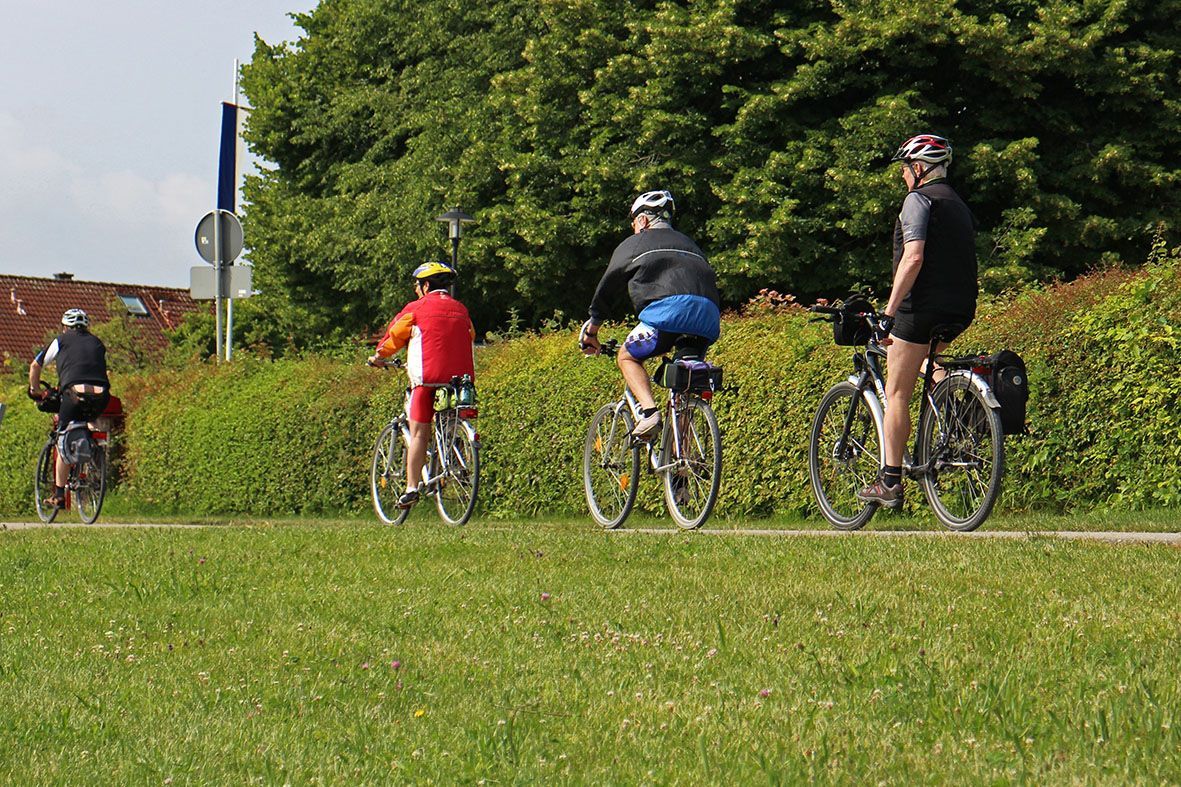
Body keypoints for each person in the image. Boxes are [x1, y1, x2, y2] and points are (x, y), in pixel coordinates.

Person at [858, 133, 978, 508]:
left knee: (896, 392)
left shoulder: (917, 200)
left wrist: (889, 314)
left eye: (906, 169)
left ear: (920, 169)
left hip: (920, 308)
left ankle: (890, 481)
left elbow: (913, 258)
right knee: (927, 361)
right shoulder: (958, 204)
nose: (904, 177)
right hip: (961, 307)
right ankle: (955, 404)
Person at [579, 190, 722, 439]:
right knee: (685, 386)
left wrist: (592, 328)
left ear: (643, 220)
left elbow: (608, 286)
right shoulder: (690, 244)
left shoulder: (636, 243)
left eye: (634, 222)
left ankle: (650, 413)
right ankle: (681, 467)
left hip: (669, 313)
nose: (634, 227)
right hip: (707, 317)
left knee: (627, 357)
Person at [369, 262, 475, 509]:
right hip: (460, 380)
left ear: (426, 285)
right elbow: (469, 335)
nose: (417, 290)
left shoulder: (415, 309)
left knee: (418, 433)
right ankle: (455, 451)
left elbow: (393, 338)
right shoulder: (461, 309)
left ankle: (411, 488)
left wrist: (378, 357)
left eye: (418, 286)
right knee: (448, 419)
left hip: (426, 379)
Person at [28, 309, 111, 509]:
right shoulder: (97, 342)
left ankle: (58, 495)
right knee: (88, 419)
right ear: (86, 327)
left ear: (64, 327)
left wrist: (36, 390)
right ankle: (92, 451)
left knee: (62, 439)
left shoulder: (60, 341)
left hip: (73, 394)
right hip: (102, 395)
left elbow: (35, 366)